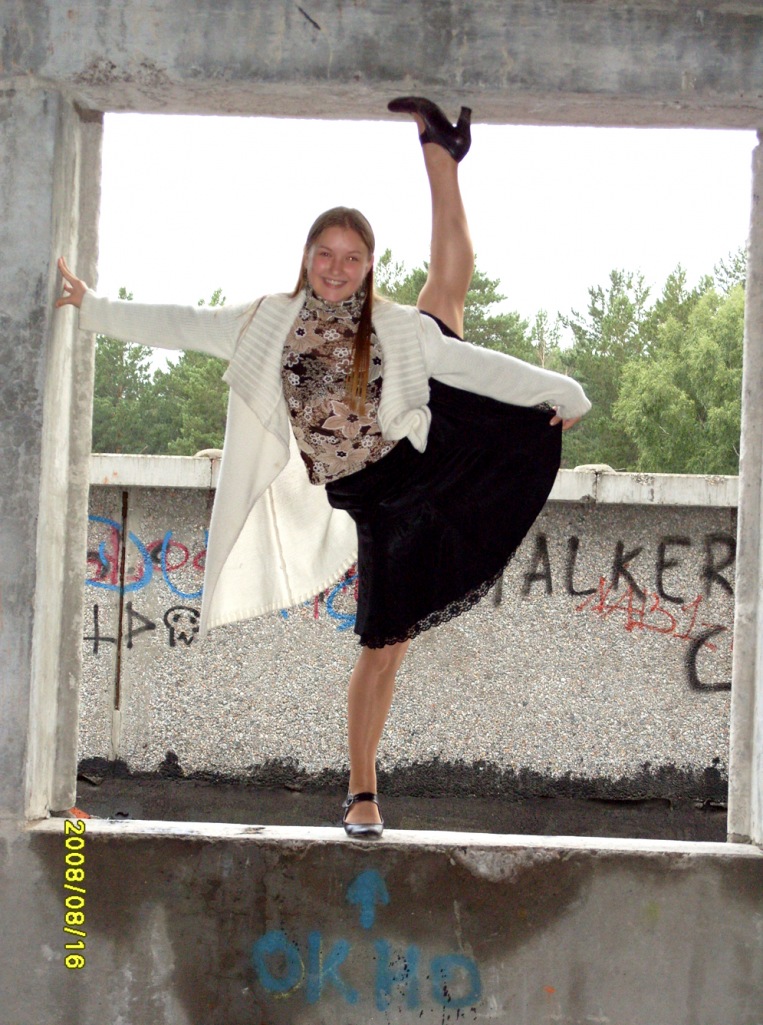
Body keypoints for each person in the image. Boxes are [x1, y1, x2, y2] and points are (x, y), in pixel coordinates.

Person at [56, 98, 590, 839]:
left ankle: (361, 794)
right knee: (383, 645)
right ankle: (442, 152)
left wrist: (561, 393)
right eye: (325, 254)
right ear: (307, 257)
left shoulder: (394, 327)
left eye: (352, 257)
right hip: (378, 503)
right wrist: (93, 308)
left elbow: (475, 366)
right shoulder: (266, 322)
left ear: (369, 266)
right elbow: (181, 322)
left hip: (429, 452)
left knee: (444, 306)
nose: (337, 268)